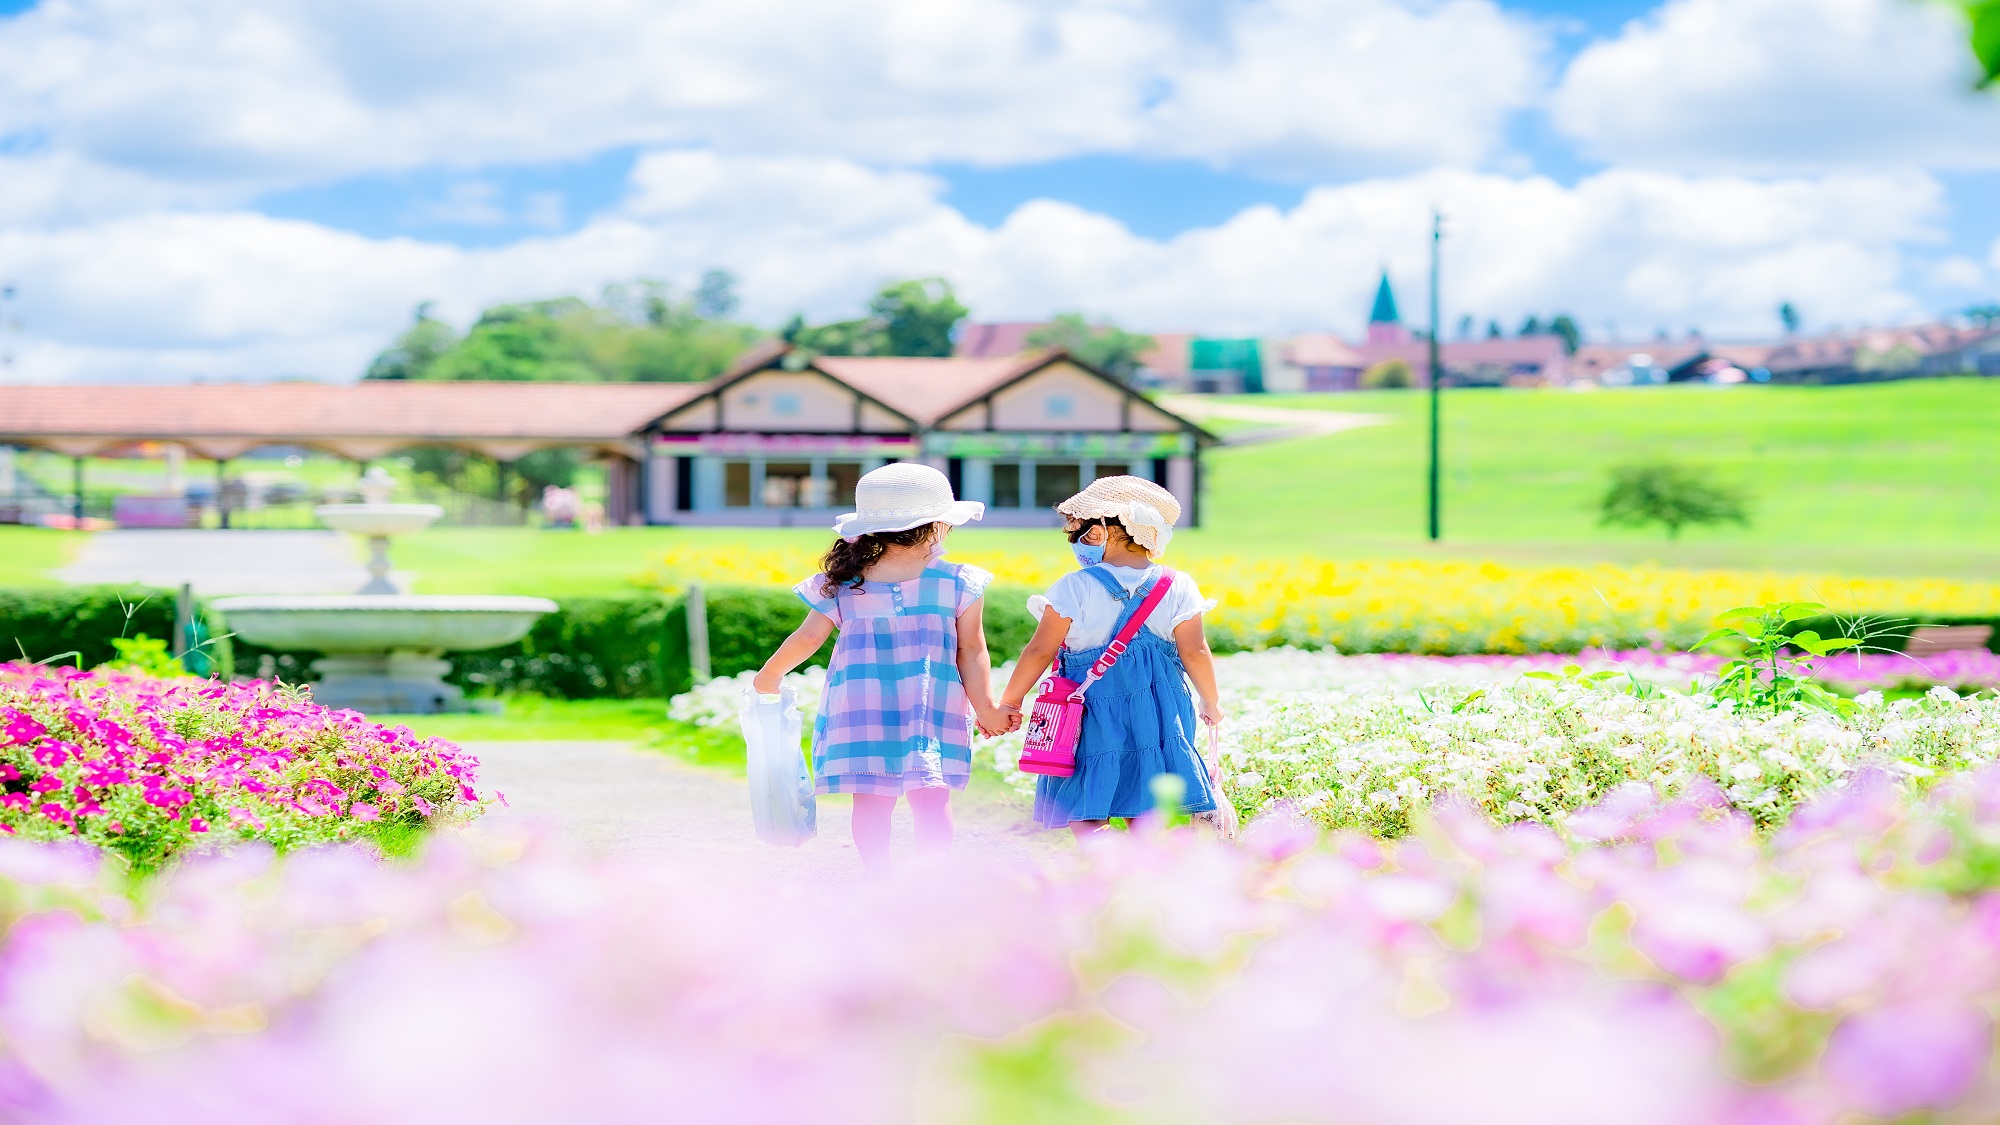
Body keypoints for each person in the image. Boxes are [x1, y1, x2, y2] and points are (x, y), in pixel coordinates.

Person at [752, 463, 1010, 871]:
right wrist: (986, 709)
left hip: (861, 708)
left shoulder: (844, 581)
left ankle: (878, 877)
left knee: (871, 800)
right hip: (932, 707)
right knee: (931, 798)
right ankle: (933, 877)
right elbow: (972, 651)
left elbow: (807, 639)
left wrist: (768, 676)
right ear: (938, 525)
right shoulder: (959, 581)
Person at [995, 476, 1223, 837]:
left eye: (1079, 532)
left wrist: (1010, 700)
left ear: (1102, 529)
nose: (1077, 542)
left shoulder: (1076, 586)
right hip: (1159, 707)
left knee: (1085, 799)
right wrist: (1210, 701)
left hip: (1089, 708)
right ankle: (1139, 874)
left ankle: (1104, 860)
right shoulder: (1178, 584)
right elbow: (1194, 650)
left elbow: (1041, 649)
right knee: (1146, 799)